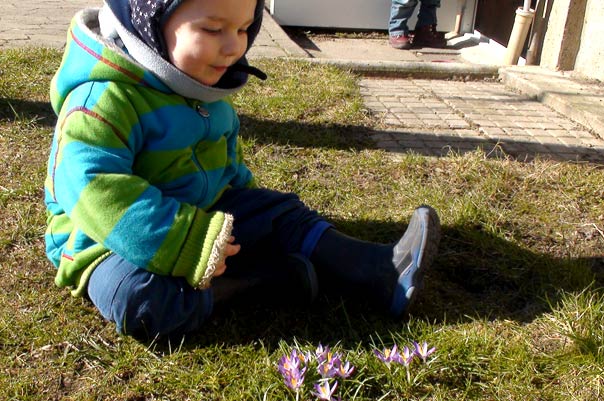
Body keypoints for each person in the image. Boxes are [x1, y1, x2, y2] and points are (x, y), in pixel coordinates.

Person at [44, 0, 442, 340]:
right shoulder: (103, 98)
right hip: (103, 241)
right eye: (213, 28)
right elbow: (91, 187)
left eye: (244, 27)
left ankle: (382, 270)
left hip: (203, 210)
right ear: (148, 21)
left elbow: (226, 163)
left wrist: (253, 217)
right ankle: (255, 282)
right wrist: (188, 244)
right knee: (141, 301)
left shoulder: (202, 83)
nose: (233, 45)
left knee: (281, 214)